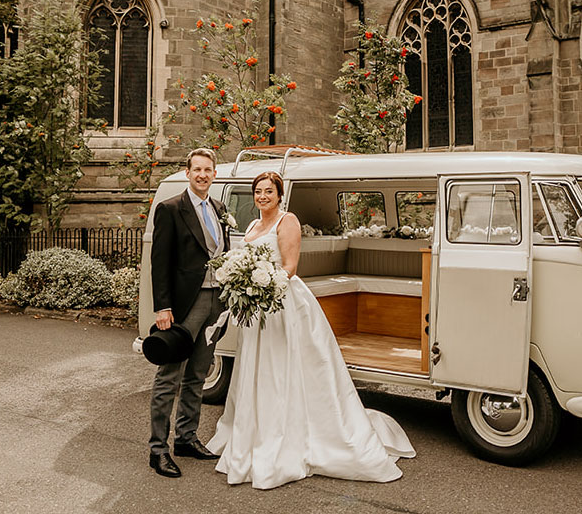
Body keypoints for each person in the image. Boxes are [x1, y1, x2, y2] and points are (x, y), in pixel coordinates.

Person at [209, 171, 415, 489]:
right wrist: (245, 283)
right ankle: (256, 431)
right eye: (258, 191)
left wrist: (263, 285)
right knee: (259, 371)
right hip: (257, 308)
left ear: (279, 196)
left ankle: (290, 436)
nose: (263, 196)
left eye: (268, 191)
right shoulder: (251, 226)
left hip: (282, 304)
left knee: (284, 369)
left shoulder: (287, 221)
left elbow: (290, 267)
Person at [148, 148, 230, 478]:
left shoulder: (219, 207)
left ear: (214, 174)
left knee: (198, 372)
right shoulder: (170, 209)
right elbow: (160, 263)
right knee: (170, 376)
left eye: (208, 170)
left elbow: (223, 253)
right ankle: (158, 449)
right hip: (184, 306)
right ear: (187, 172)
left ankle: (186, 438)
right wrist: (162, 308)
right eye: (197, 169)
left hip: (215, 302)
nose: (202, 175)